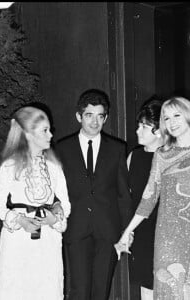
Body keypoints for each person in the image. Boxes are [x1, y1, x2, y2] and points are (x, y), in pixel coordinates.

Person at [116, 96, 190, 299]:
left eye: (176, 115)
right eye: (166, 118)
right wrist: (128, 231)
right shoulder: (162, 155)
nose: (171, 122)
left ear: (188, 116)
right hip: (166, 239)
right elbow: (148, 199)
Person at [55, 89, 133, 300]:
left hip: (108, 230)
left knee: (101, 291)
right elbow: (56, 191)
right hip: (76, 228)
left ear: (105, 118)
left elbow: (123, 194)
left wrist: (126, 231)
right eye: (89, 115)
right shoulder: (62, 148)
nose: (95, 121)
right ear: (79, 116)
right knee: (78, 290)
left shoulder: (117, 148)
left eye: (100, 116)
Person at [0, 104, 71, 300]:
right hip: (18, 243)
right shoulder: (10, 165)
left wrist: (55, 218)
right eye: (45, 130)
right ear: (28, 134)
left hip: (47, 244)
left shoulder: (53, 166)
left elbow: (65, 203)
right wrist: (20, 221)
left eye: (49, 129)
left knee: (47, 291)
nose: (50, 135)